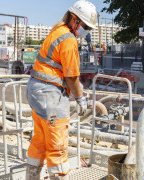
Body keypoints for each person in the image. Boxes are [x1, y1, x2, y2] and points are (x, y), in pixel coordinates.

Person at [25, 1, 97, 179]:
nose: (86, 30)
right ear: (75, 20)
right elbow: (71, 76)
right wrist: (80, 99)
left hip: (37, 91)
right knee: (57, 146)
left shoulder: (57, 32)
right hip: (50, 96)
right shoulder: (69, 39)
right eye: (85, 26)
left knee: (40, 141)